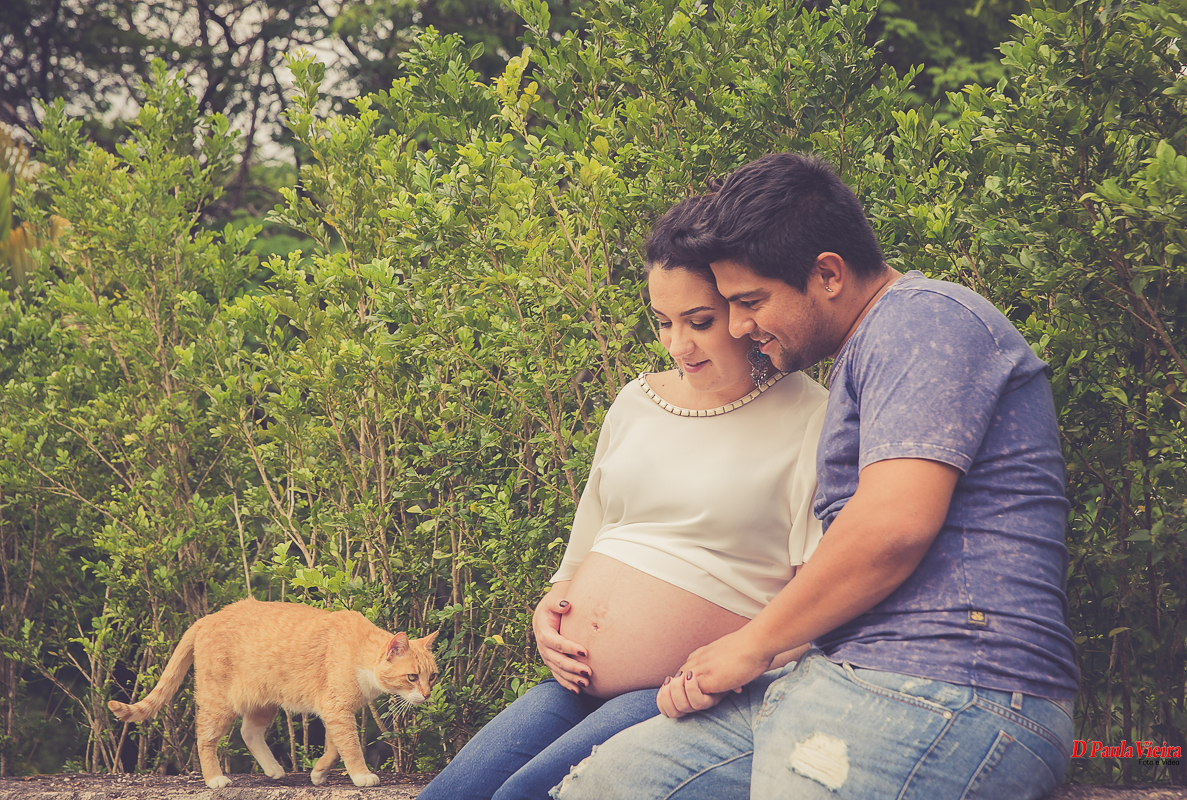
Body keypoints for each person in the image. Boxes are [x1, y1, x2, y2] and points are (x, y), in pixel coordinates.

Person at [550, 152, 1080, 800]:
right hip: (832, 678)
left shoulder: (924, 319)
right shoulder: (861, 356)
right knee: (602, 786)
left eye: (749, 302)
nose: (739, 325)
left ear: (827, 273)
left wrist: (751, 645)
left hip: (953, 686)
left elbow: (893, 524)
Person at [417, 196, 829, 800]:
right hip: (573, 679)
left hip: (679, 686)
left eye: (699, 321)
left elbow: (816, 597)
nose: (677, 346)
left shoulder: (808, 416)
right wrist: (551, 607)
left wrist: (739, 666)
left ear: (744, 311)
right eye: (663, 322)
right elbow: (590, 537)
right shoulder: (637, 400)